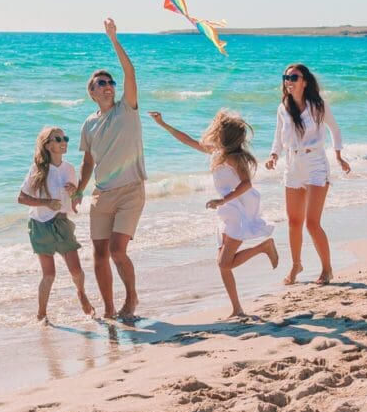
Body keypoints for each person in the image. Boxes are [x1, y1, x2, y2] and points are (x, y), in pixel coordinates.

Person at [149, 109, 278, 318]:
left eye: (218, 131)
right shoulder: (217, 153)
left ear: (224, 136)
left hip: (237, 210)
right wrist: (163, 124)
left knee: (224, 263)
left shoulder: (235, 158)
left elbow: (246, 184)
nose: (214, 132)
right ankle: (237, 308)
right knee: (224, 264)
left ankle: (264, 247)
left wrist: (223, 200)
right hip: (227, 210)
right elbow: (187, 140)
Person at [72, 18, 147, 320]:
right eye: (101, 83)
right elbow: (88, 160)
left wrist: (113, 39)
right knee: (99, 256)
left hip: (131, 191)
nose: (108, 86)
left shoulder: (126, 108)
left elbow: (130, 72)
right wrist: (79, 189)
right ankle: (108, 308)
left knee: (117, 250)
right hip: (101, 195)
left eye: (110, 82)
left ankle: (131, 298)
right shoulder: (88, 124)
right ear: (91, 92)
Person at [265, 63, 351, 286]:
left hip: (315, 163)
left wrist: (339, 156)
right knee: (294, 222)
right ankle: (296, 266)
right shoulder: (283, 107)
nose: (289, 81)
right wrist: (274, 155)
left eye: (294, 77)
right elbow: (277, 136)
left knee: (312, 223)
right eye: (286, 77)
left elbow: (335, 129)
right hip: (292, 165)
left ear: (305, 81)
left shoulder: (318, 106)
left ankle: (327, 269)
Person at [18, 126, 95, 321]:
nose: (64, 142)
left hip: (61, 222)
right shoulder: (38, 169)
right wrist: (46, 203)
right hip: (40, 224)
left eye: (65, 138)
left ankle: (81, 293)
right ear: (48, 145)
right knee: (49, 275)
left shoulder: (69, 168)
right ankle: (41, 314)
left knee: (76, 269)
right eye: (58, 139)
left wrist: (74, 193)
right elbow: (21, 198)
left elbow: (76, 199)